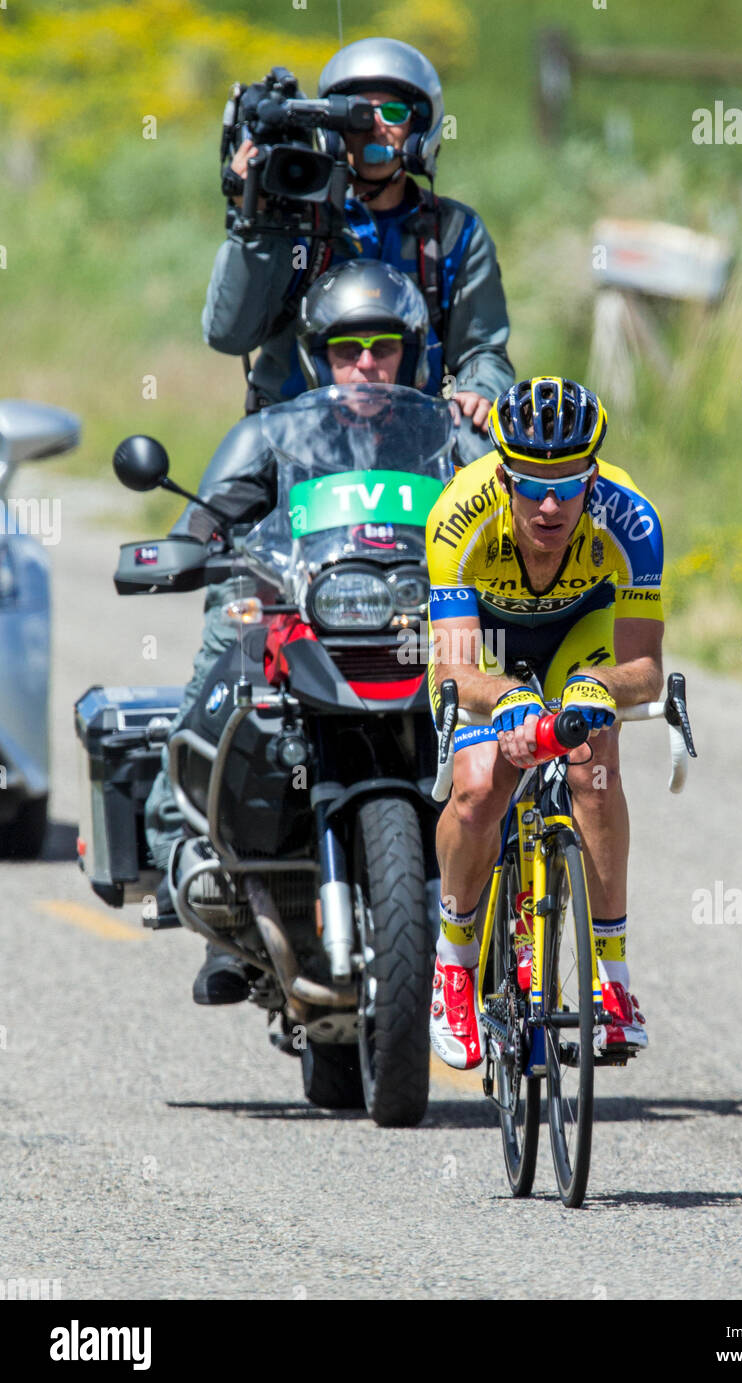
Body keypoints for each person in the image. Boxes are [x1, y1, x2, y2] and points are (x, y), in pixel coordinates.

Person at [145, 260, 438, 1003]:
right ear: (317, 355)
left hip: (410, 625)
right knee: (224, 652)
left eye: (382, 347)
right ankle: (184, 851)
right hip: (299, 618)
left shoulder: (448, 438)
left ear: (410, 350)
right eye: (347, 350)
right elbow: (201, 524)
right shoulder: (270, 433)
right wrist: (195, 554)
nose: (366, 365)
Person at [425, 376, 665, 1069]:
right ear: (503, 475)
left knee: (592, 765)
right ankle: (453, 967)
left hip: (577, 632)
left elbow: (644, 667)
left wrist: (596, 686)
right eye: (532, 484)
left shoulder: (632, 520)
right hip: (488, 645)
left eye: (569, 481)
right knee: (477, 785)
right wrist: (503, 698)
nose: (552, 504)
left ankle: (612, 983)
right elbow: (452, 671)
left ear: (593, 473)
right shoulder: (457, 516)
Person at [204, 37, 513, 463]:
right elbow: (229, 334)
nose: (374, 126)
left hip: (420, 452)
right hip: (293, 449)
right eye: (356, 114)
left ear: (421, 126)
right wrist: (251, 222)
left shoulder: (454, 231)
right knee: (213, 522)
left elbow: (482, 349)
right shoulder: (291, 222)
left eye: (393, 112)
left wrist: (481, 389)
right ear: (330, 129)